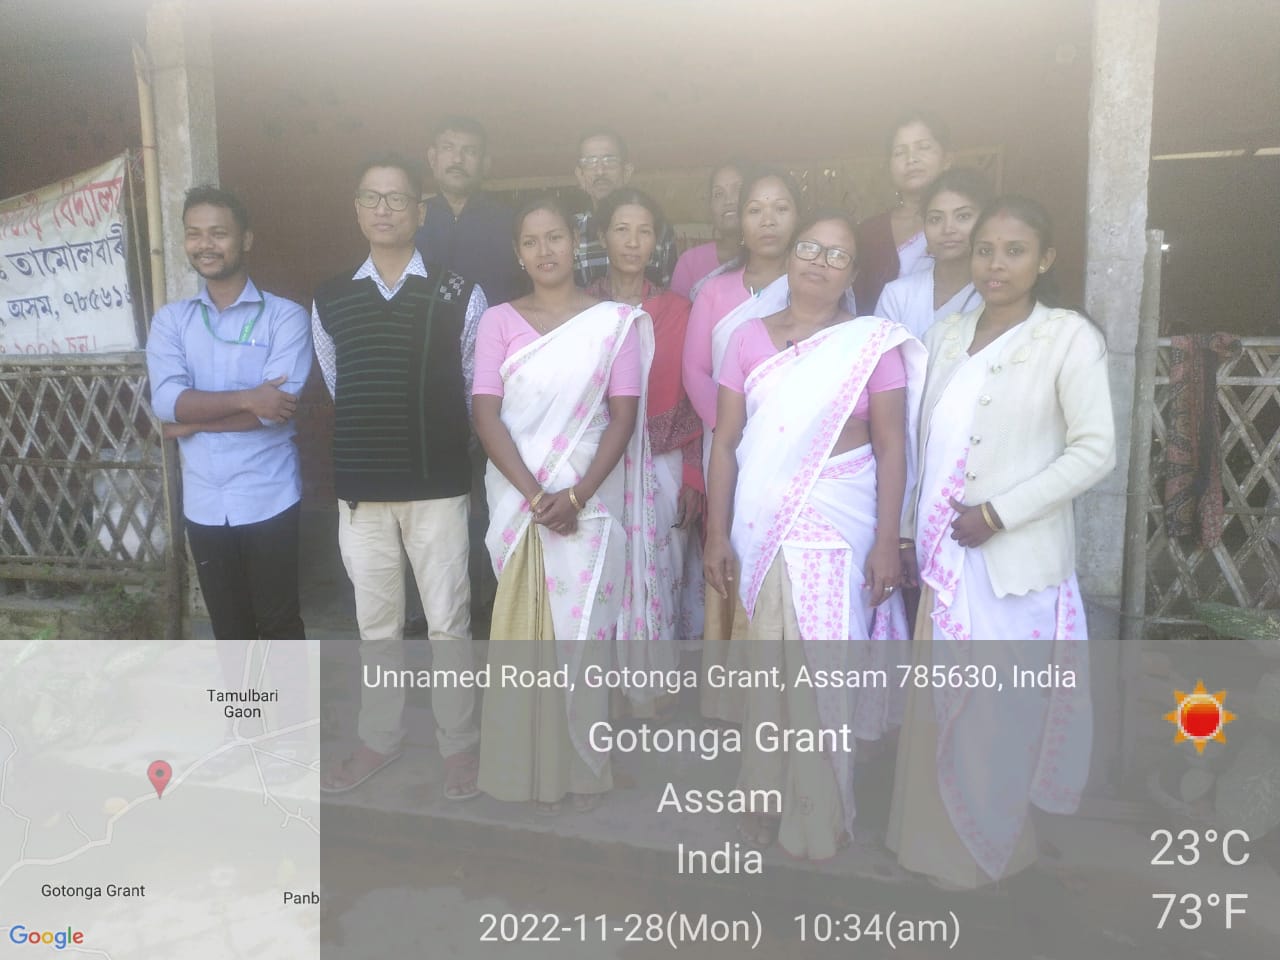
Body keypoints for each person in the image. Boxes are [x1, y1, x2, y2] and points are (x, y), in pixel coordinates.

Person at [888, 196, 1115, 888]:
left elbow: (1094, 451)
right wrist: (908, 534)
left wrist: (999, 513)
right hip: (945, 561)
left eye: (1015, 251)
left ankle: (991, 857)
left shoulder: (1067, 337)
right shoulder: (947, 335)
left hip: (1014, 565)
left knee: (999, 713)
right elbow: (924, 444)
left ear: (1045, 260)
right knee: (942, 711)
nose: (996, 264)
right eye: (985, 249)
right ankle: (928, 847)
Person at [704, 210, 922, 858]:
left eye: (837, 255)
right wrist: (715, 533)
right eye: (810, 248)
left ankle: (818, 812)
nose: (819, 262)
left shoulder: (871, 344)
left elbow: (892, 446)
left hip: (839, 525)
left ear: (853, 274)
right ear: (791, 256)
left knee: (823, 674)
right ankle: (760, 796)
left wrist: (889, 540)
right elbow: (725, 443)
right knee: (768, 672)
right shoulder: (746, 339)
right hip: (764, 524)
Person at [312, 155, 486, 799]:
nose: (383, 209)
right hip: (363, 491)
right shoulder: (330, 298)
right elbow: (341, 386)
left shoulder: (459, 291)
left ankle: (459, 746)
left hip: (437, 488)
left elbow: (472, 388)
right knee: (376, 627)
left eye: (397, 198)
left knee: (448, 624)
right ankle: (379, 739)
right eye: (371, 197)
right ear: (356, 208)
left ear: (420, 210)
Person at [473, 193, 645, 814]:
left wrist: (576, 495)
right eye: (531, 241)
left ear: (576, 244)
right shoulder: (498, 321)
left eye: (555, 238)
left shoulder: (614, 322)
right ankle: (522, 769)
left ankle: (582, 770)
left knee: (583, 639)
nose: (544, 250)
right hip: (520, 501)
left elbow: (622, 418)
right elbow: (485, 414)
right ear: (518, 253)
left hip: (587, 501)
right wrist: (536, 495)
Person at [146, 185, 313, 783]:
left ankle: (294, 736)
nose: (205, 244)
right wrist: (247, 398)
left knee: (278, 621)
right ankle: (244, 733)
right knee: (229, 626)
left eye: (218, 232)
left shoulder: (285, 316)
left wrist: (191, 421)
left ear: (245, 240)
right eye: (194, 232)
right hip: (204, 499)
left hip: (268, 494)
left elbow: (279, 409)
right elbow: (166, 402)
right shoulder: (172, 321)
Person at [682, 167, 802, 724]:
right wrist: (740, 434)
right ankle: (731, 699)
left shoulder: (816, 286)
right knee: (727, 549)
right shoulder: (713, 291)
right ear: (741, 220)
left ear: (797, 217)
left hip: (794, 453)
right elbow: (694, 371)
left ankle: (780, 696)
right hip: (729, 449)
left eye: (780, 208)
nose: (768, 220)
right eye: (756, 209)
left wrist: (775, 435)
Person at [586, 188, 704, 717]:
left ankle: (651, 695)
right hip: (599, 466)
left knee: (661, 573)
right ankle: (607, 693)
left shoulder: (679, 310)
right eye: (621, 229)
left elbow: (696, 395)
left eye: (644, 231)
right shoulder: (582, 309)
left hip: (664, 464)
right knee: (605, 571)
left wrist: (695, 476)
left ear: (657, 240)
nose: (633, 242)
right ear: (602, 236)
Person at [413, 115, 517, 632]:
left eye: (469, 150)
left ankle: (497, 602)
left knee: (496, 493)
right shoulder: (413, 219)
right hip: (426, 380)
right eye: (448, 148)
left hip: (501, 379)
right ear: (432, 158)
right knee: (431, 500)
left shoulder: (506, 223)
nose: (458, 158)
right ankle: (433, 607)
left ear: (486, 162)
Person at [853, 112, 954, 314]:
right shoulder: (869, 233)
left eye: (923, 147)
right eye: (900, 152)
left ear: (947, 159)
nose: (911, 159)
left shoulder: (970, 225)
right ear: (889, 166)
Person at [875, 168, 991, 339]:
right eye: (936, 219)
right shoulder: (898, 295)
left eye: (963, 216)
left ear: (986, 221)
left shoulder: (995, 294)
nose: (948, 229)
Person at [571, 127, 677, 289]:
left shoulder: (658, 228)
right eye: (590, 162)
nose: (600, 171)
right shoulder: (570, 230)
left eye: (610, 161)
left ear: (626, 171)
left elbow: (669, 292)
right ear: (580, 174)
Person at [670, 161, 745, 299]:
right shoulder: (690, 262)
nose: (729, 200)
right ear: (710, 207)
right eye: (718, 194)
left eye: (738, 190)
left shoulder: (767, 259)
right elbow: (677, 311)